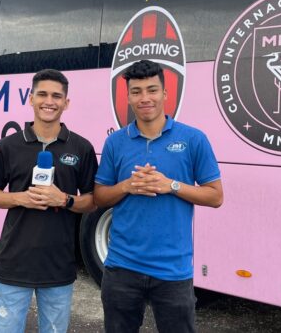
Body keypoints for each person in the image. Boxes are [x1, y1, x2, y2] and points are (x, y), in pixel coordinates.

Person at [94, 60, 223, 333]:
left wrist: (170, 185)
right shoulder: (115, 142)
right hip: (121, 267)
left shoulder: (193, 139)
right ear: (128, 97)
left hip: (173, 271)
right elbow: (100, 197)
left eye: (152, 90)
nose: (145, 98)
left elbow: (215, 196)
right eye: (136, 91)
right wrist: (126, 186)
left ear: (165, 94)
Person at [0, 69, 98, 333]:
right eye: (42, 94)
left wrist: (65, 199)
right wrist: (20, 198)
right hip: (14, 263)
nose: (49, 101)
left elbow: (92, 202)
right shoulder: (8, 145)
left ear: (66, 103)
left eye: (56, 96)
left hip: (58, 265)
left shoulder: (81, 148)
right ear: (30, 99)